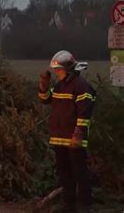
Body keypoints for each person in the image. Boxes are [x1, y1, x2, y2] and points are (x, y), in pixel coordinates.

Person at [38, 50, 96, 213]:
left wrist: (78, 133)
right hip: (59, 138)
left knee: (80, 172)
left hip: (74, 139)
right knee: (65, 174)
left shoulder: (81, 86)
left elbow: (85, 112)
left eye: (59, 70)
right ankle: (68, 204)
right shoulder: (59, 85)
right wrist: (44, 85)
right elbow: (45, 100)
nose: (57, 73)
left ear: (68, 69)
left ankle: (85, 205)